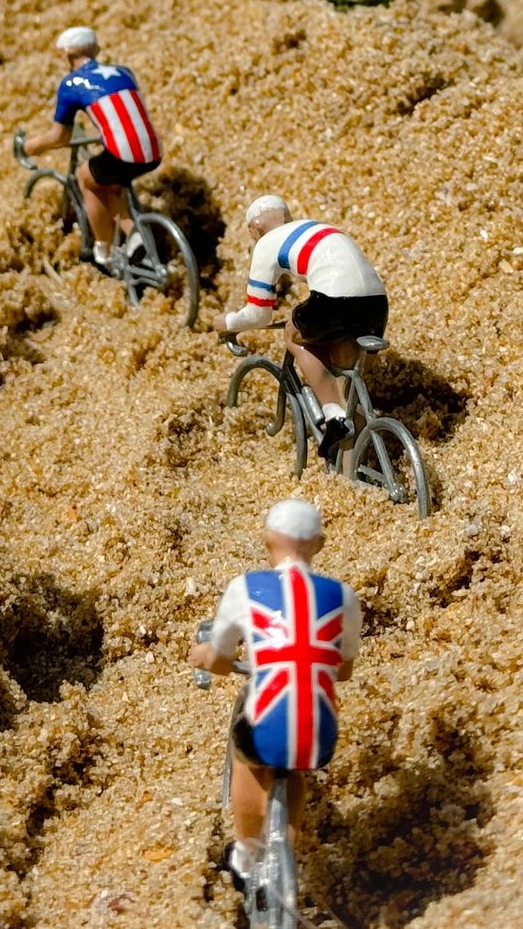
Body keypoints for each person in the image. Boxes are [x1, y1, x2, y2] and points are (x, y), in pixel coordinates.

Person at [189, 499, 360, 894]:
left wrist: (203, 656)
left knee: (247, 756)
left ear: (268, 541)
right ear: (318, 544)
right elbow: (343, 669)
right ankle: (286, 853)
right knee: (296, 765)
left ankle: (247, 856)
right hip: (320, 732)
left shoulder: (246, 588)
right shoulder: (344, 596)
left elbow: (218, 658)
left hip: (267, 723)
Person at [222, 197, 389, 463]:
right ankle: (352, 461)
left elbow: (259, 314)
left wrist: (227, 323)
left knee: (294, 333)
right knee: (346, 380)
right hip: (376, 302)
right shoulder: (315, 226)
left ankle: (334, 415)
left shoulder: (265, 244)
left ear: (254, 229)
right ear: (286, 217)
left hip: (336, 300)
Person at [18, 26, 161, 266]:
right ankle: (132, 232)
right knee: (108, 180)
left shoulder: (71, 83)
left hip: (123, 154)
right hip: (154, 149)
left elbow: (60, 137)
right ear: (96, 49)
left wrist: (31, 146)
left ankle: (103, 249)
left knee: (85, 176)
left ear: (66, 55)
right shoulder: (123, 71)